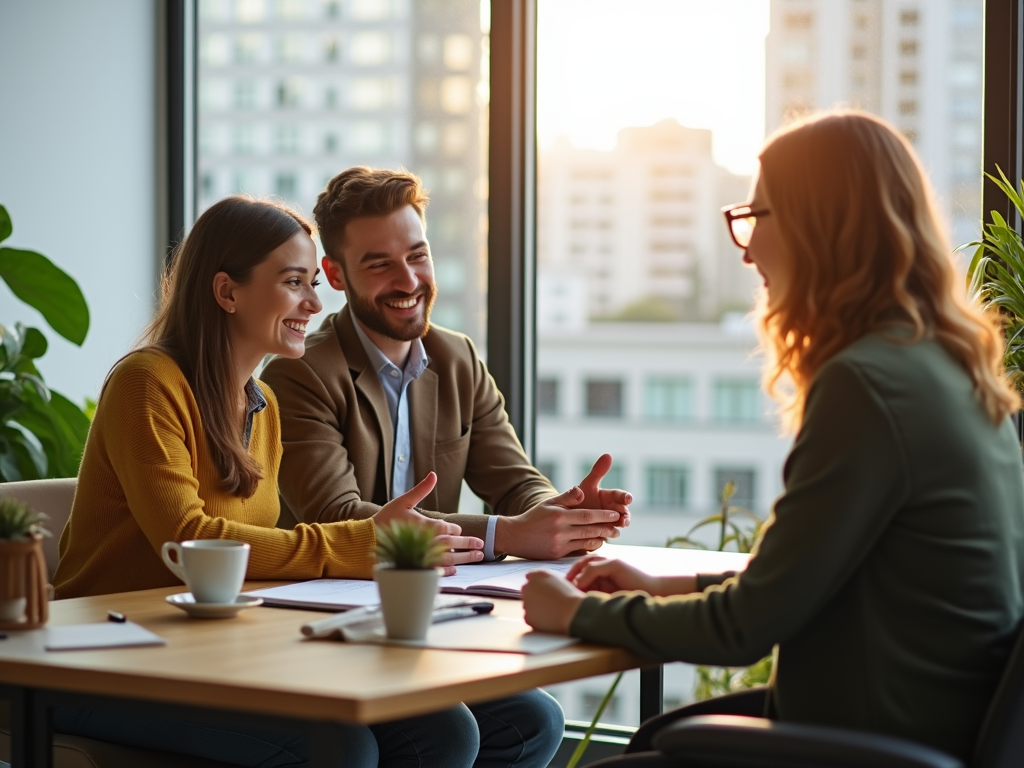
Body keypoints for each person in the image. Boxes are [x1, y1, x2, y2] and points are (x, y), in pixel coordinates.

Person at [521, 110, 1024, 763]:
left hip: (872, 741)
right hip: (926, 725)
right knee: (652, 742)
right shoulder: (946, 366)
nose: (747, 247)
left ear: (823, 226)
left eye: (758, 217)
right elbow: (815, 577)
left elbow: (745, 629)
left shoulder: (865, 386)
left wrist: (571, 613)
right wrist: (663, 584)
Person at [52, 197, 563, 768]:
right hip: (107, 657)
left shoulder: (260, 405)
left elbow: (259, 548)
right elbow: (190, 540)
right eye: (295, 282)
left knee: (475, 725)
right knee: (339, 748)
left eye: (313, 282)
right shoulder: (147, 383)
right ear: (227, 292)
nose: (315, 304)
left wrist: (384, 536)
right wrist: (357, 542)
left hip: (211, 647)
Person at [261, 166, 632, 563]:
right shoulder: (299, 373)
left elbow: (514, 481)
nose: (408, 281)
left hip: (442, 598)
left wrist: (562, 513)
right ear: (335, 274)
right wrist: (505, 533)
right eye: (380, 265)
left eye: (417, 256)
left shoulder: (459, 359)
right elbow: (339, 518)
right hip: (319, 605)